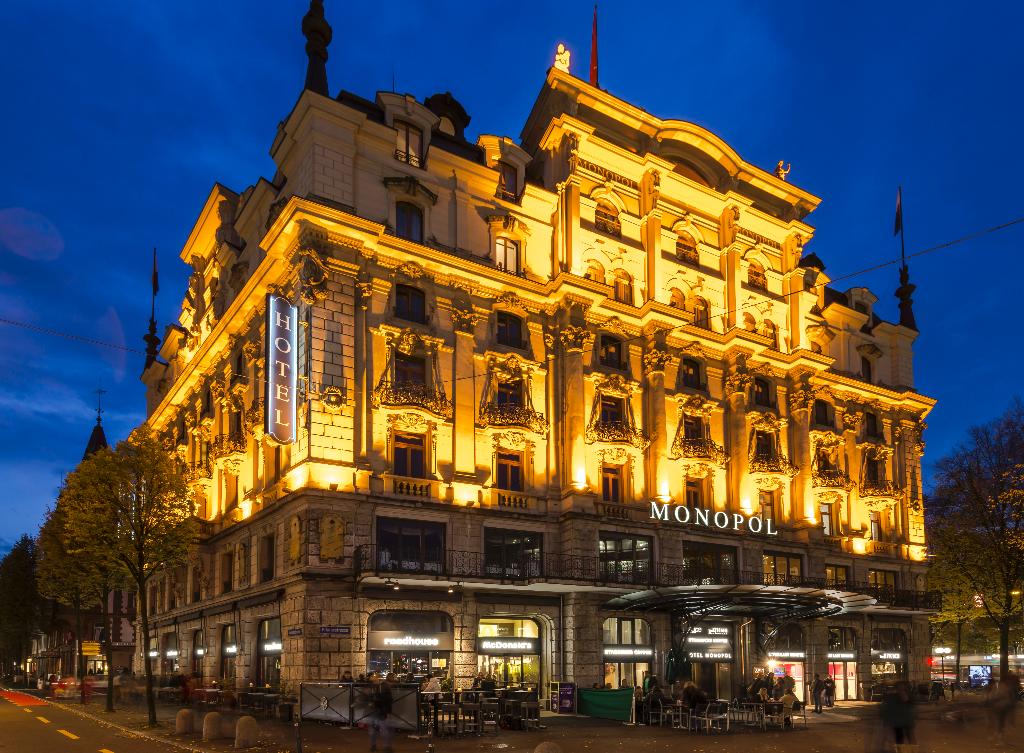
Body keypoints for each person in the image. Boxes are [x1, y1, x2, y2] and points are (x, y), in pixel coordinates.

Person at [989, 672, 1020, 741]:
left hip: (1001, 706)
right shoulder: (1005, 686)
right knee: (1000, 721)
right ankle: (999, 734)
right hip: (1002, 706)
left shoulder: (1003, 686)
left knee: (999, 721)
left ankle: (999, 734)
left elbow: (995, 695)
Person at [367, 673, 393, 753]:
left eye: (373, 678)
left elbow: (388, 699)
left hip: (380, 710)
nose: (372, 679)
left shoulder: (383, 687)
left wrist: (374, 701)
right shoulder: (376, 686)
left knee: (381, 729)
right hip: (377, 710)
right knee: (379, 729)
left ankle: (383, 746)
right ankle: (378, 746)